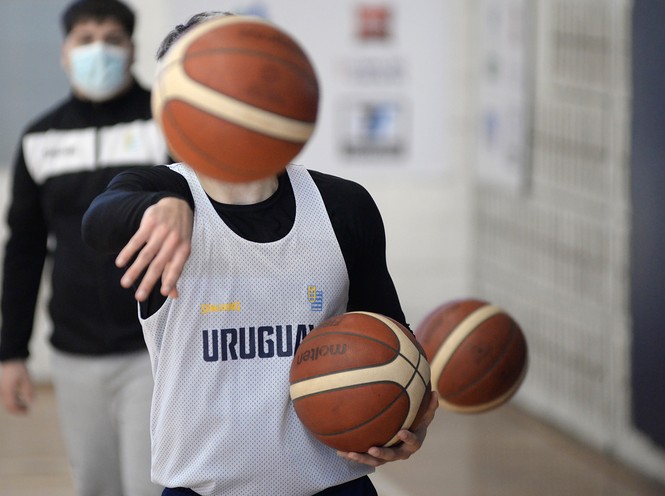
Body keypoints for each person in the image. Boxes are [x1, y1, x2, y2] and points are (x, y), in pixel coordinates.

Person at [81, 10, 438, 496]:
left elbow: (394, 337)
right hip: (200, 489)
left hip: (334, 487)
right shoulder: (156, 190)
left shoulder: (342, 206)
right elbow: (97, 220)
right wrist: (155, 208)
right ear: (171, 111)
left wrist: (410, 414)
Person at [0, 1, 167, 495]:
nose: (100, 49)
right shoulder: (39, 140)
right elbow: (24, 250)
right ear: (64, 52)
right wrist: (11, 352)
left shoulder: (169, 123)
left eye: (112, 39)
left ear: (133, 49)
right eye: (85, 39)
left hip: (157, 349)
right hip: (74, 354)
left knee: (151, 486)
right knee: (95, 486)